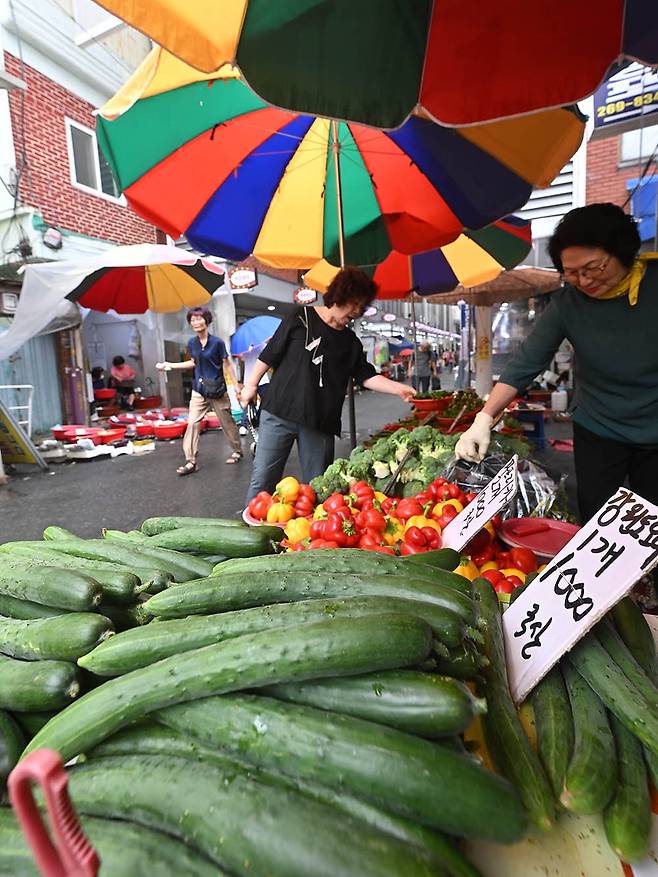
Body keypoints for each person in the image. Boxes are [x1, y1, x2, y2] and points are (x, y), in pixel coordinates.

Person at [455, 202, 658, 524]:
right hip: (599, 427)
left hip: (654, 428)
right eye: (572, 273)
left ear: (621, 251)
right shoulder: (567, 305)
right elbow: (526, 362)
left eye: (593, 268)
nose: (584, 280)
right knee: (595, 517)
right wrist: (484, 418)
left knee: (652, 524)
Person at [242, 267, 416, 501]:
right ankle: (250, 531)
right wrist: (251, 385)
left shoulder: (350, 342)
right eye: (353, 303)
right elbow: (270, 354)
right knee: (263, 479)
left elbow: (365, 375)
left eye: (361, 307)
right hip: (279, 413)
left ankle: (307, 535)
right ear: (339, 295)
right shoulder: (299, 318)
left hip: (320, 422)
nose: (356, 312)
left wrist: (397, 388)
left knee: (318, 488)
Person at [156, 306, 242, 475]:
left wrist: (236, 385)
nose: (195, 322)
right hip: (199, 390)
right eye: (192, 320)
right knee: (192, 423)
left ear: (206, 321)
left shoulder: (217, 342)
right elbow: (194, 362)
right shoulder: (192, 343)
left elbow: (227, 364)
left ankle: (237, 450)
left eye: (199, 318)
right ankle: (191, 461)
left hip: (217, 389)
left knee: (227, 422)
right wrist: (170, 366)